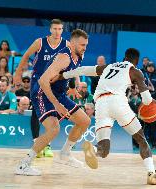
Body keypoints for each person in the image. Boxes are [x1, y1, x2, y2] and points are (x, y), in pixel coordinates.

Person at [61, 48, 156, 185]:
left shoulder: (108, 67)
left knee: (103, 149)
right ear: (137, 61)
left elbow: (84, 69)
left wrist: (64, 75)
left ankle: (94, 149)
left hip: (100, 104)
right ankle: (152, 174)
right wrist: (153, 103)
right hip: (118, 102)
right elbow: (146, 100)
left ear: (124, 58)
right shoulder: (135, 71)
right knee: (141, 139)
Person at [15, 29, 97, 176]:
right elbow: (43, 80)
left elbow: (72, 71)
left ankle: (65, 154)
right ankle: (23, 165)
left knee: (84, 121)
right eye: (82, 45)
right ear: (72, 43)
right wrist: (57, 104)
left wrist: (71, 87)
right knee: (54, 129)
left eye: (86, 45)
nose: (85, 48)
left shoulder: (79, 54)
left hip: (59, 93)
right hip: (42, 93)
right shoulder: (63, 57)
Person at [13, 19, 69, 158]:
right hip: (38, 81)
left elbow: (72, 63)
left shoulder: (66, 44)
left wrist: (76, 81)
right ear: (50, 29)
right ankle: (36, 142)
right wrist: (18, 74)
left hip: (53, 83)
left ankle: (46, 144)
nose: (57, 32)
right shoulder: (40, 42)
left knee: (51, 114)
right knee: (36, 113)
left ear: (62, 30)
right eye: (55, 29)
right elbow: (26, 56)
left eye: (60, 29)